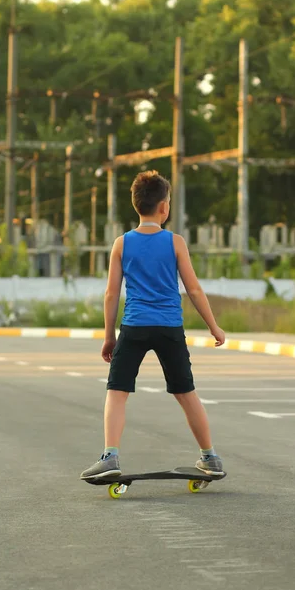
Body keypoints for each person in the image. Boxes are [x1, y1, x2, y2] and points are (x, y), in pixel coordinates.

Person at [80, 171, 225, 480]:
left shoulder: (122, 244)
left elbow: (111, 293)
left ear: (137, 205)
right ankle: (210, 457)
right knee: (186, 393)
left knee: (117, 392)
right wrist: (214, 327)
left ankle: (110, 457)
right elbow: (194, 289)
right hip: (170, 327)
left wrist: (109, 337)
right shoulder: (175, 242)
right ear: (164, 207)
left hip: (134, 326)